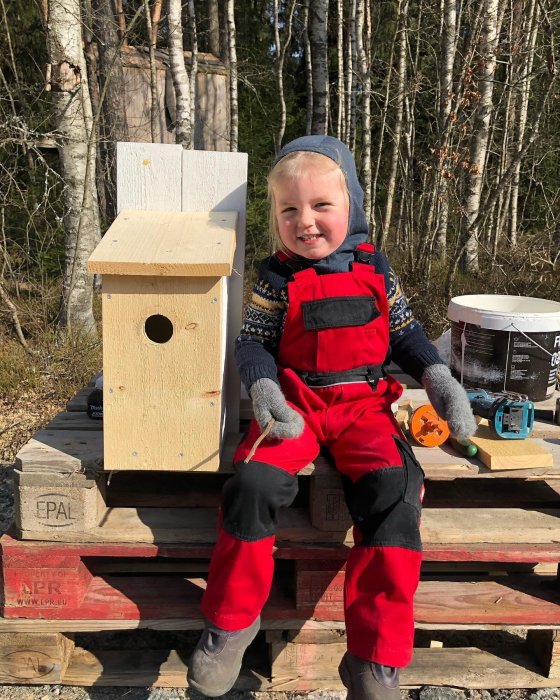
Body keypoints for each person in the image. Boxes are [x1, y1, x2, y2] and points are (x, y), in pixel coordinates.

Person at [188, 135, 476, 700]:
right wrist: (263, 386)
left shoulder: (376, 267)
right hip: (294, 407)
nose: (306, 222)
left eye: (322, 206)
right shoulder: (276, 276)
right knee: (251, 483)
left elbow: (406, 333)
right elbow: (252, 344)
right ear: (275, 218)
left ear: (353, 206)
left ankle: (374, 659)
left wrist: (438, 377)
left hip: (365, 407)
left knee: (396, 493)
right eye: (289, 210)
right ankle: (230, 625)